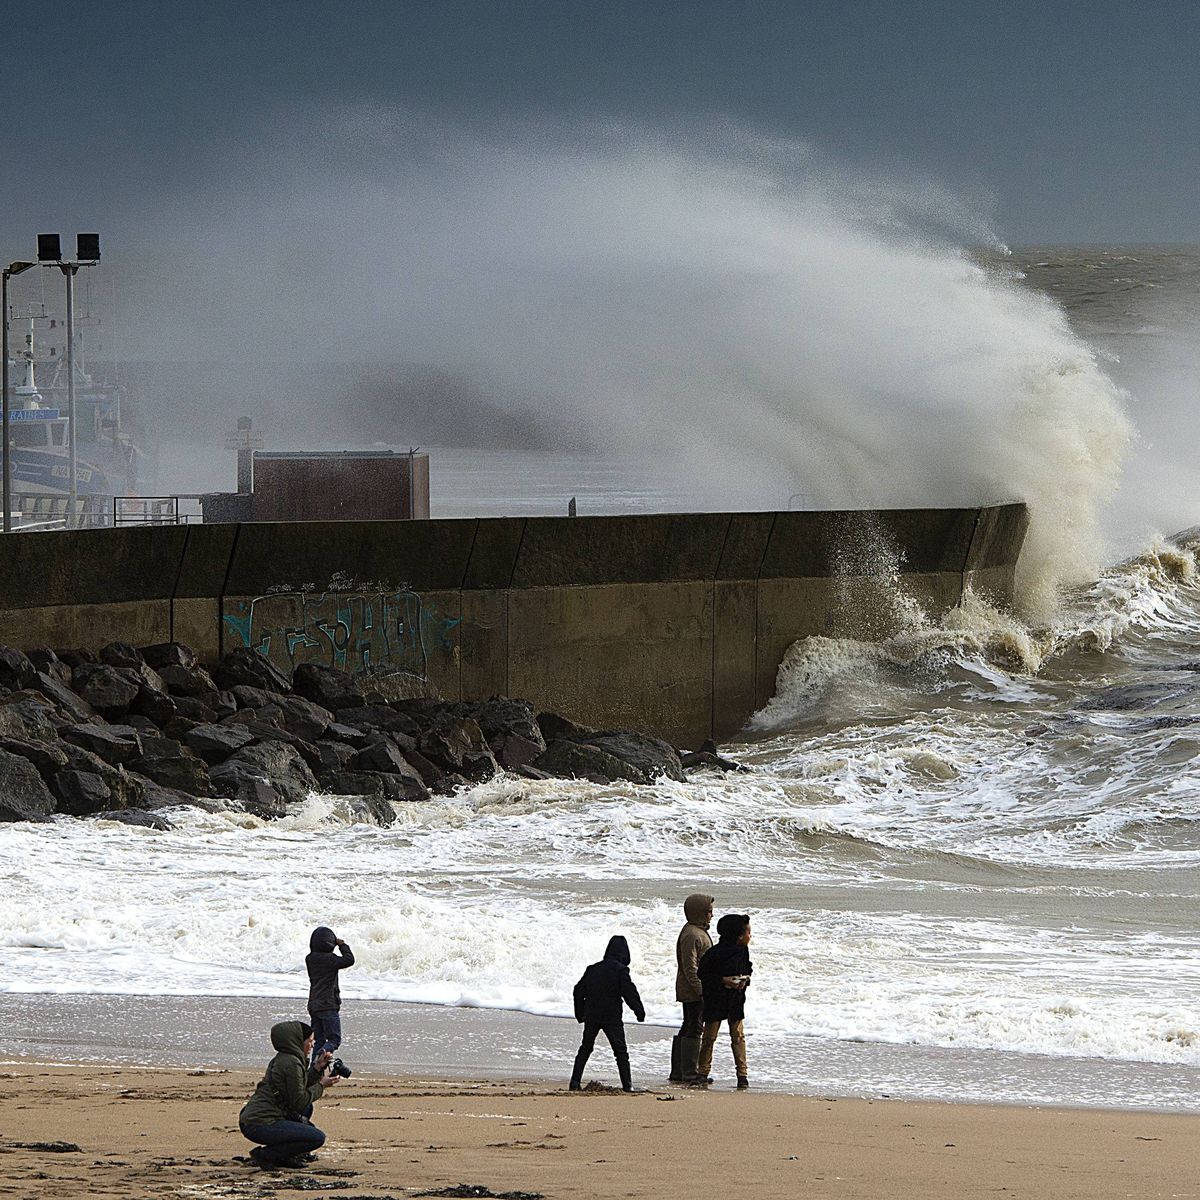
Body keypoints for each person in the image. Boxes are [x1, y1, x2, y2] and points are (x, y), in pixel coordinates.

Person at [238, 1020, 342, 1169]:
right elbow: (299, 1100)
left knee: (307, 1109)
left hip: (254, 1120)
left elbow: (297, 1087)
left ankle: (284, 1155)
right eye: (310, 1041)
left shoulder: (285, 1058)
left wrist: (318, 1068)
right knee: (316, 1137)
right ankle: (267, 1155)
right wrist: (321, 1085)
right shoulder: (291, 1063)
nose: (312, 1045)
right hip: (259, 1124)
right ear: (298, 1041)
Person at [569, 935, 646, 1092]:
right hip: (612, 1017)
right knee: (620, 1052)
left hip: (592, 1015)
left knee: (585, 1048)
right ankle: (627, 1086)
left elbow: (578, 990)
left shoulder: (593, 969)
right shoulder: (620, 970)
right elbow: (629, 992)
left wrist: (580, 1013)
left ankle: (575, 1082)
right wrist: (639, 1011)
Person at [697, 913, 753, 1090]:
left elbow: (748, 967)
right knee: (709, 1037)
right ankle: (702, 1072)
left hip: (736, 999)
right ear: (738, 936)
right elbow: (703, 974)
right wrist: (723, 980)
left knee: (738, 1037)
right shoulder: (715, 953)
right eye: (748, 933)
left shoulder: (743, 951)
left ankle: (742, 1075)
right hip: (716, 999)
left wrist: (745, 979)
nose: (750, 937)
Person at [672, 893, 714, 1085]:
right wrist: (701, 991)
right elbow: (691, 968)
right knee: (694, 1027)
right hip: (693, 989)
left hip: (692, 988)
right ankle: (688, 1072)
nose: (711, 915)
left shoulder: (695, 931)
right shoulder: (692, 934)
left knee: (689, 1025)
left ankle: (680, 1071)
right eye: (709, 912)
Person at [306, 926, 355, 1064]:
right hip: (328, 1005)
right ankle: (322, 1055)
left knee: (319, 1040)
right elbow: (349, 959)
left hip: (313, 1005)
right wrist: (342, 945)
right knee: (334, 1040)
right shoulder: (330, 960)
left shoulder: (310, 959)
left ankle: (314, 1070)